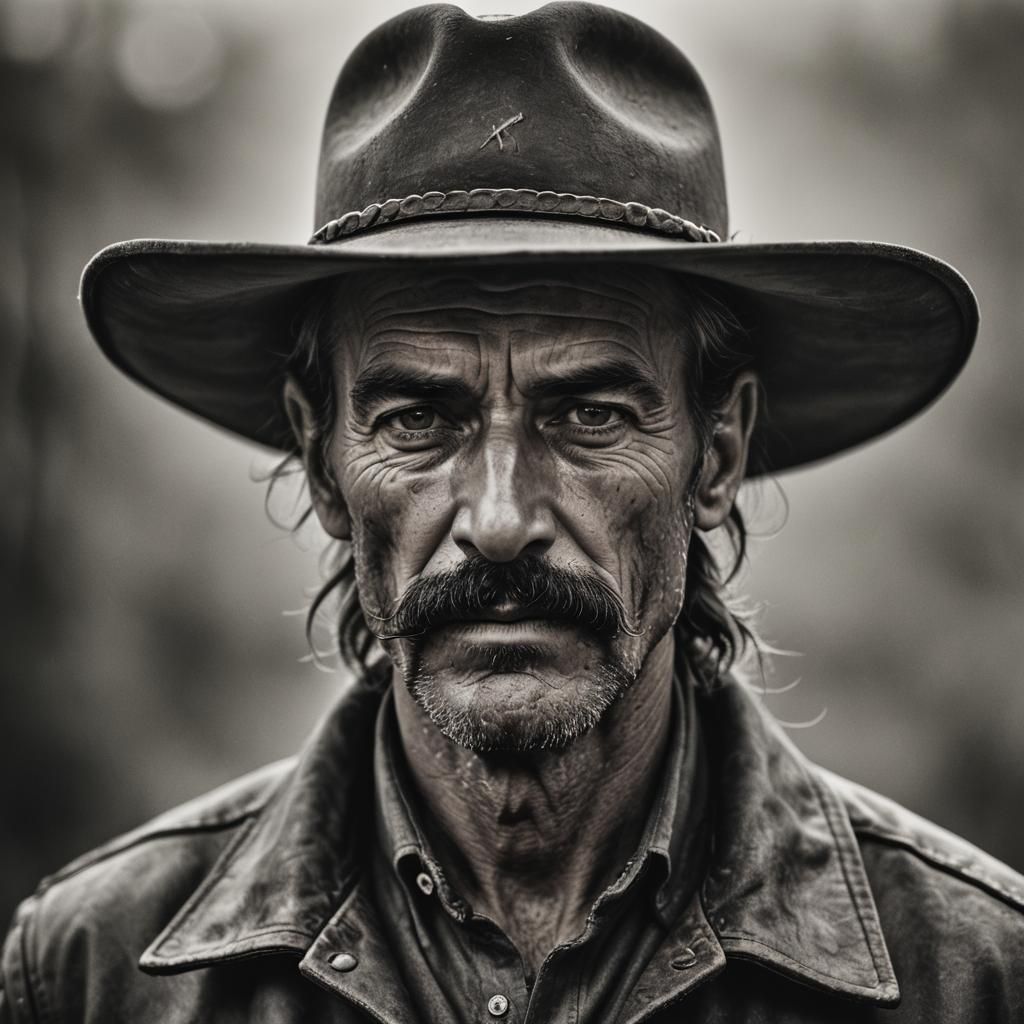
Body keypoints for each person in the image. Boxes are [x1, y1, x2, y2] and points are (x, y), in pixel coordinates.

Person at [3, 4, 1022, 1022]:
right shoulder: (95, 974)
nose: (497, 517)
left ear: (714, 452)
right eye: (416, 418)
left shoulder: (975, 976)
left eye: (587, 413)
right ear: (322, 463)